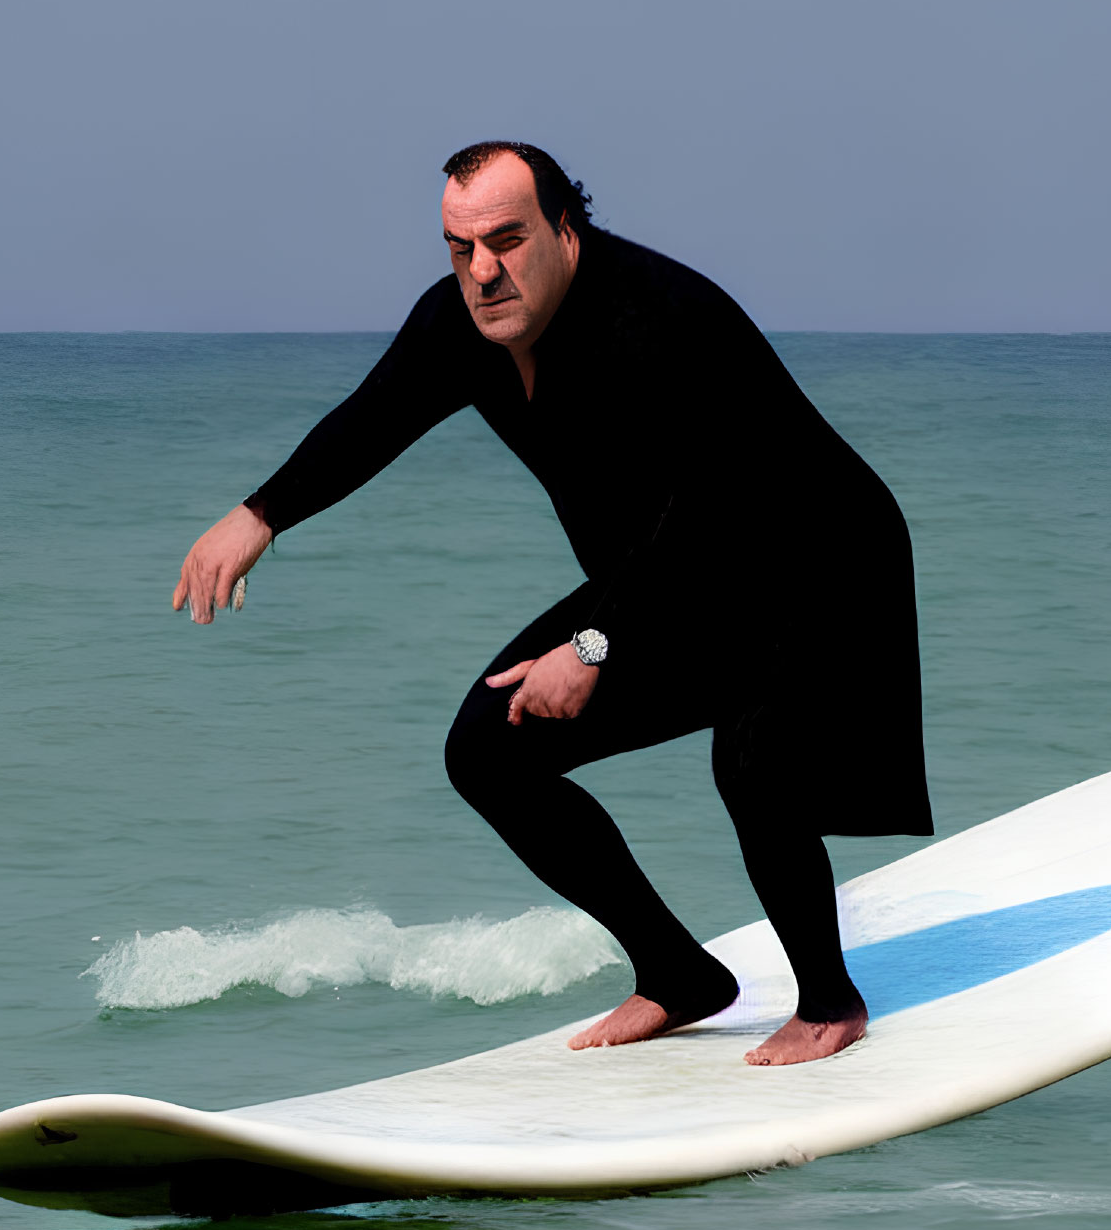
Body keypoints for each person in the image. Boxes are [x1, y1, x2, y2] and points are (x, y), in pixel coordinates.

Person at [172, 142, 930, 1066]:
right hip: (666, 574)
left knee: (754, 756)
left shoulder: (661, 318)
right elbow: (370, 420)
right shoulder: (461, 325)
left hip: (815, 562)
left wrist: (596, 642)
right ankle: (677, 975)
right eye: (460, 248)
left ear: (566, 229)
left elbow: (707, 505)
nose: (483, 272)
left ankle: (829, 1003)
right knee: (489, 751)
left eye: (507, 240)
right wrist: (259, 516)